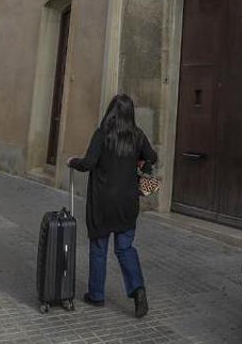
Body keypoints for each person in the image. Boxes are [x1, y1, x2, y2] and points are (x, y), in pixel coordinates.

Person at [68, 93, 156, 318]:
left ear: (110, 112)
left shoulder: (102, 135)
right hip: (127, 203)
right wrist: (141, 166)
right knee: (125, 248)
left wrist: (72, 161)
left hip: (103, 203)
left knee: (99, 248)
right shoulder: (137, 136)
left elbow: (88, 163)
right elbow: (152, 157)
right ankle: (138, 291)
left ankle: (96, 295)